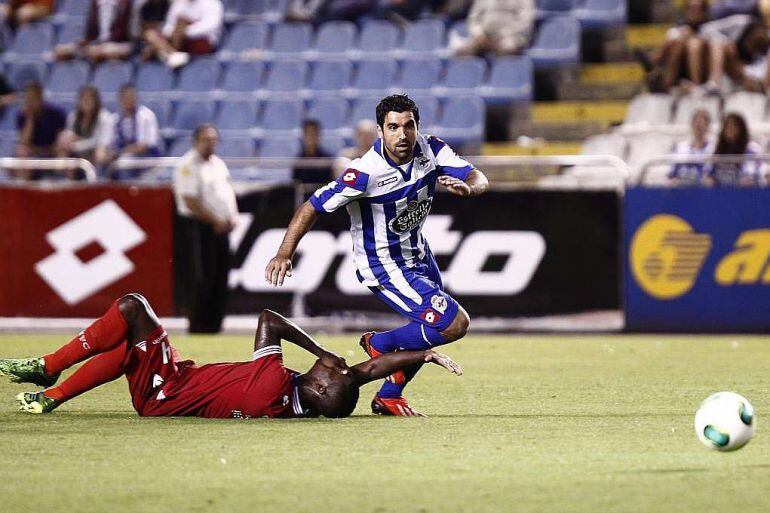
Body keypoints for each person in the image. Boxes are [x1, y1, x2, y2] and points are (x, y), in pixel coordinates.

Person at [265, 94, 489, 416]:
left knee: (426, 327)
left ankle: (389, 396)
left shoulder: (432, 149)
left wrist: (469, 188)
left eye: (409, 126)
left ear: (417, 127)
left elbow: (478, 177)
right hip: (383, 264)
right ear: (381, 132)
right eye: (393, 127)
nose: (403, 134)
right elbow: (312, 206)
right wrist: (284, 252)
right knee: (453, 323)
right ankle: (380, 345)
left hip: (419, 254)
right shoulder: (364, 173)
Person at [0, 294, 462, 417]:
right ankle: (52, 394)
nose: (337, 360)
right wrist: (422, 355)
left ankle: (48, 367)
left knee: (132, 308)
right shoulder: (316, 398)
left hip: (166, 392)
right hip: (174, 383)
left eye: (331, 365)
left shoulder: (272, 381)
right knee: (127, 347)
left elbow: (269, 318)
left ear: (320, 384)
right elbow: (365, 372)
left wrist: (317, 348)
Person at [173, 124, 237, 334]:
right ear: (195, 141)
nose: (210, 143)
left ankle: (215, 325)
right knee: (201, 277)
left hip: (222, 227)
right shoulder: (188, 165)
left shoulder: (218, 164)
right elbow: (190, 200)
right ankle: (198, 326)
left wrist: (231, 217)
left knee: (220, 276)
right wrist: (215, 220)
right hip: (199, 228)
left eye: (213, 139)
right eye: (205, 139)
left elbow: (226, 192)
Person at [637, 0, 712, 92]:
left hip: (704, 65)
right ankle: (666, 81)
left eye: (697, 9)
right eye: (691, 9)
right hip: (681, 67)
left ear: (703, 11)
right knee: (677, 43)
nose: (694, 12)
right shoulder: (680, 28)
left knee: (693, 45)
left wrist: (692, 36)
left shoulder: (711, 26)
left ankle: (653, 59)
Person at [97, 84, 161, 178]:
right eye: (125, 97)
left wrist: (120, 154)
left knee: (124, 165)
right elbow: (102, 145)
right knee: (100, 167)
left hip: (144, 158)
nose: (128, 101)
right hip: (118, 159)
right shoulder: (113, 119)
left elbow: (144, 146)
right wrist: (102, 156)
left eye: (131, 97)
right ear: (120, 99)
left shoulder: (146, 116)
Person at [142, 0, 223, 69]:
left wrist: (185, 31)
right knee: (151, 34)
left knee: (182, 22)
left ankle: (168, 54)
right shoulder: (179, 3)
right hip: (177, 38)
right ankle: (173, 54)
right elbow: (169, 26)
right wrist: (175, 33)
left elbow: (211, 25)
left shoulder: (211, 3)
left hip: (202, 40)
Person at [13, 80, 66, 180]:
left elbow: (59, 139)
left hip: (52, 150)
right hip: (33, 151)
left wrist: (48, 150)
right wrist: (30, 119)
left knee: (63, 147)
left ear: (41, 97)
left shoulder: (56, 113)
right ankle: (23, 186)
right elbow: (24, 142)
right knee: (21, 152)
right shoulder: (22, 116)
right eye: (28, 99)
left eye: (33, 98)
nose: (30, 102)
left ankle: (63, 182)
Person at [53, 0, 134, 63]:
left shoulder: (127, 3)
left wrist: (105, 47)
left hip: (119, 45)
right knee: (61, 51)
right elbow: (90, 36)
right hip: (96, 45)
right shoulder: (95, 3)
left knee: (109, 50)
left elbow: (134, 39)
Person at [56, 86, 113, 173]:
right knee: (64, 138)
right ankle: (66, 179)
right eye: (83, 99)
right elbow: (70, 137)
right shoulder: (74, 116)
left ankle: (97, 181)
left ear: (96, 101)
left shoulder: (103, 116)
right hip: (77, 150)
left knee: (100, 153)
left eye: (90, 99)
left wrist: (76, 146)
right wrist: (69, 143)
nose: (86, 102)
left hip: (96, 149)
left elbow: (98, 141)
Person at [452, 0, 534, 57]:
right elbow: (473, 18)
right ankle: (466, 80)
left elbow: (525, 22)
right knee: (462, 51)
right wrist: (479, 33)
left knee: (507, 48)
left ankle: (501, 80)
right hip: (484, 37)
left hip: (511, 37)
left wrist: (502, 34)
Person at [706, 112, 764, 185]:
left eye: (734, 126)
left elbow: (752, 172)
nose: (730, 129)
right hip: (720, 191)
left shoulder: (751, 149)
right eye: (727, 126)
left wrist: (747, 179)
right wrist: (709, 178)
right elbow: (709, 171)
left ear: (741, 128)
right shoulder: (717, 149)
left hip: (743, 191)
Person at [669, 109, 716, 185]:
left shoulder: (713, 149)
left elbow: (712, 174)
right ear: (692, 124)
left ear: (707, 126)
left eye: (702, 124)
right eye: (696, 123)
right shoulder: (679, 147)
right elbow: (672, 172)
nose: (698, 127)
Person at [292, 118, 333, 184]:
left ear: (319, 135)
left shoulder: (328, 159)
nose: (311, 137)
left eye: (314, 133)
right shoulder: (298, 160)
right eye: (308, 134)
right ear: (303, 136)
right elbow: (296, 182)